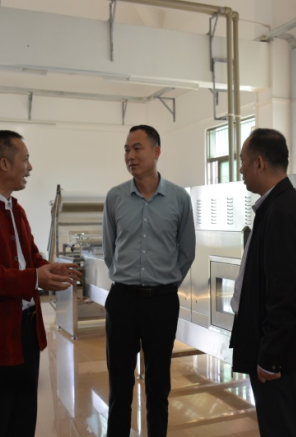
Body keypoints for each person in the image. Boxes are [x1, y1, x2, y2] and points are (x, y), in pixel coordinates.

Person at [0, 130, 81, 437]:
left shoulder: (16, 209)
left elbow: (30, 257)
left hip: (27, 334)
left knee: (23, 420)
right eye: (26, 160)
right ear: (5, 163)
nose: (30, 167)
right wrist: (35, 277)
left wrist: (49, 269)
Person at [102, 125, 196, 437]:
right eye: (127, 149)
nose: (130, 155)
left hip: (162, 303)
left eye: (137, 148)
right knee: (119, 385)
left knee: (158, 385)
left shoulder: (179, 198)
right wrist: (128, 280)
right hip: (122, 301)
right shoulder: (115, 197)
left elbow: (186, 251)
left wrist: (165, 285)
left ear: (156, 151)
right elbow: (109, 251)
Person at [229, 128, 296, 437]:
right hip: (277, 351)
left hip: (279, 357)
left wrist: (270, 357)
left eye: (242, 161)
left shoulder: (281, 210)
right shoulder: (276, 205)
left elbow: (284, 293)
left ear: (259, 163)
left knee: (283, 430)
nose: (240, 169)